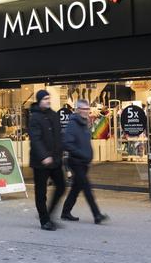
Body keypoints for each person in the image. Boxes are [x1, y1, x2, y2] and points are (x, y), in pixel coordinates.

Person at [61, 99, 109, 224]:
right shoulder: (73, 124)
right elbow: (67, 143)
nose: (86, 111)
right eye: (83, 109)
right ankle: (97, 215)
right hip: (76, 162)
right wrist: (81, 154)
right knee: (87, 188)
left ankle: (65, 212)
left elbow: (85, 142)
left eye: (88, 109)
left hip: (84, 162)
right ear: (77, 110)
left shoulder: (85, 123)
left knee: (76, 188)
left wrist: (89, 156)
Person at [29, 90, 65, 231]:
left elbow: (58, 136)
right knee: (41, 192)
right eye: (44, 99)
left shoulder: (54, 115)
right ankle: (44, 220)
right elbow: (35, 139)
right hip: (40, 162)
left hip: (55, 160)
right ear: (39, 101)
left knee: (61, 186)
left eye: (48, 98)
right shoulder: (34, 117)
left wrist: (61, 152)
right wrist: (44, 156)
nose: (47, 101)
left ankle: (49, 214)